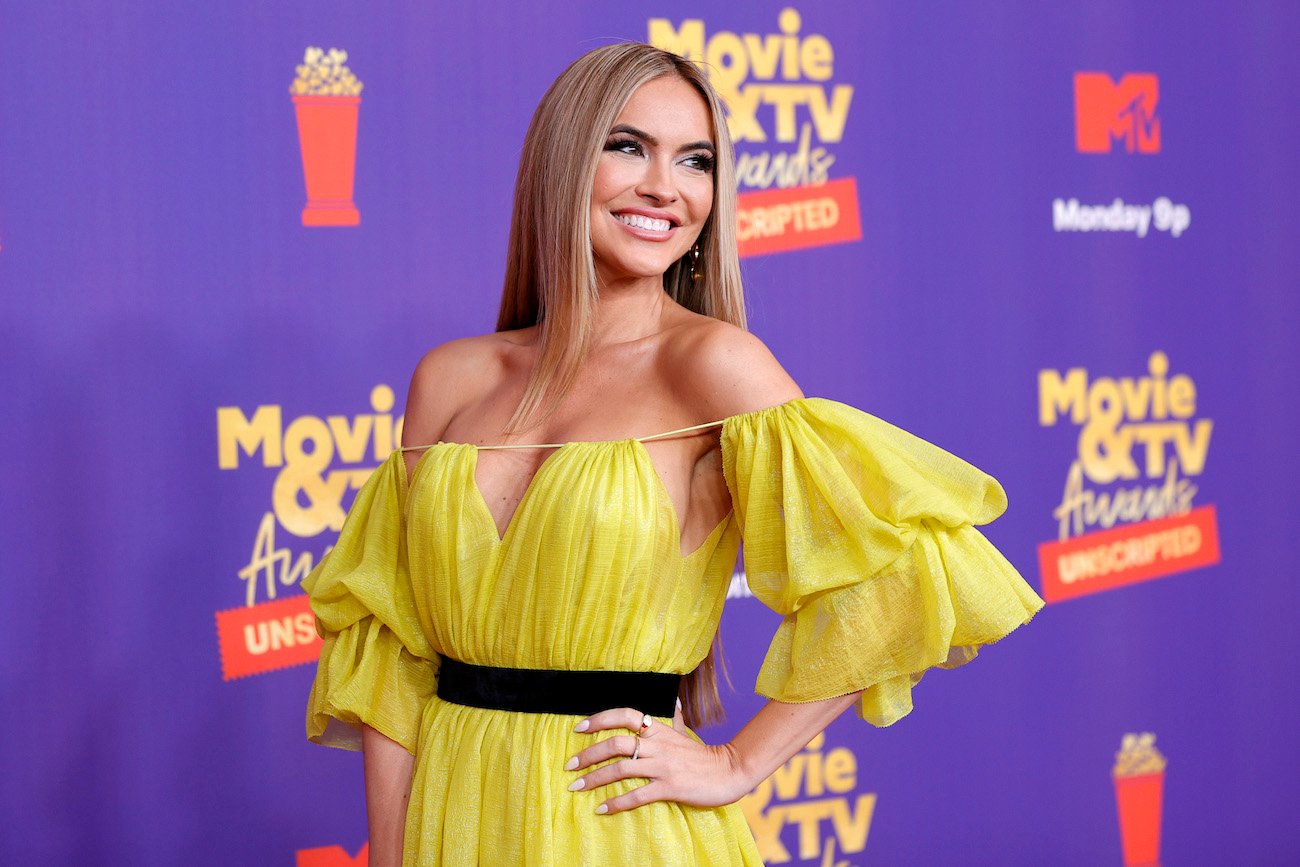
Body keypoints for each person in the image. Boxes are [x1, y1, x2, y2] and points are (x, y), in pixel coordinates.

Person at [302, 42, 1044, 866]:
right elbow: (393, 656)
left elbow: (911, 569)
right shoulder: (449, 378)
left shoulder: (712, 366)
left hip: (621, 828)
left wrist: (739, 761)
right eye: (628, 147)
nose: (665, 186)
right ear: (560, 164)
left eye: (696, 161)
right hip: (455, 819)